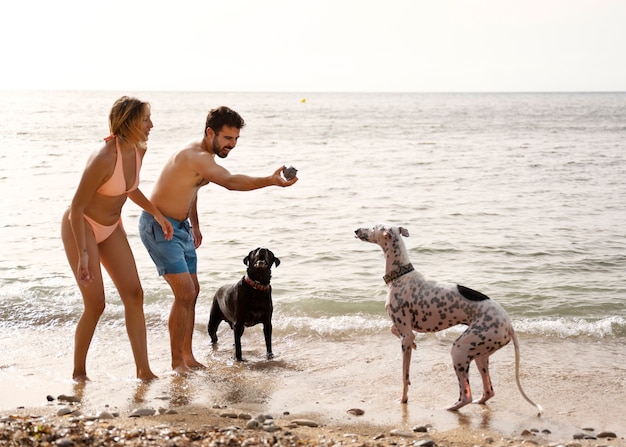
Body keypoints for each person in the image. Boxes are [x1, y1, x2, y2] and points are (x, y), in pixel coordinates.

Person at [138, 106, 298, 374]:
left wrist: (194, 225)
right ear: (210, 132)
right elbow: (231, 182)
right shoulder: (197, 156)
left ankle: (187, 357)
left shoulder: (203, 158)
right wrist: (270, 181)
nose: (232, 145)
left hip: (181, 227)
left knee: (193, 292)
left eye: (236, 139)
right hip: (160, 226)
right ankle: (177, 362)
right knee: (185, 294)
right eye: (227, 138)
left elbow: (192, 189)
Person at [61, 96, 173, 382]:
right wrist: (84, 255)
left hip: (111, 227)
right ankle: (79, 373)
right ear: (131, 121)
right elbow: (76, 208)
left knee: (135, 295)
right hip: (81, 225)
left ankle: (143, 371)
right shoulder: (103, 157)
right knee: (96, 304)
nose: (152, 124)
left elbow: (129, 189)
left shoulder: (138, 150)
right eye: (146, 119)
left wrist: (157, 214)